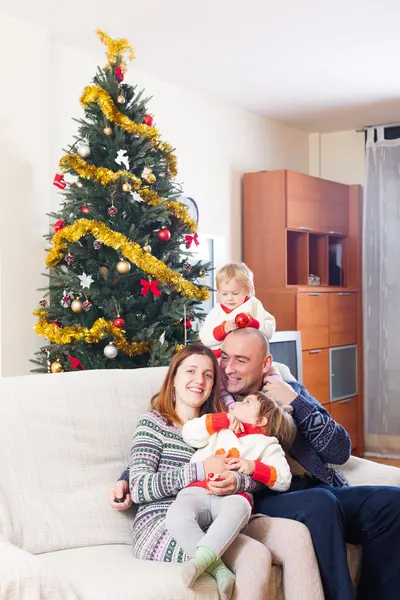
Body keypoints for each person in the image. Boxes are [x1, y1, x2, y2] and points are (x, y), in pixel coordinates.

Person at [111, 327, 400, 600]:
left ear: (265, 364)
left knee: (391, 503)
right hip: (261, 495)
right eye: (224, 357)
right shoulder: (217, 400)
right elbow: (180, 439)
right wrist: (127, 477)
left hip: (312, 485)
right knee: (320, 504)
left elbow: (340, 451)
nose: (227, 368)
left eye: (240, 360)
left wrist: (296, 401)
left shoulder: (287, 388)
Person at [110, 341, 325, 600]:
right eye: (190, 371)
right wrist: (201, 470)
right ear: (174, 378)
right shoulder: (154, 423)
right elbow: (140, 486)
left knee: (297, 537)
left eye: (208, 374)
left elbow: (256, 471)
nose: (199, 380)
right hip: (165, 523)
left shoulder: (225, 423)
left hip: (222, 514)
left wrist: (237, 480)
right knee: (254, 556)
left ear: (213, 385)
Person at [165, 391, 296, 593]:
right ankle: (217, 569)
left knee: (240, 508)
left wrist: (253, 467)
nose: (238, 402)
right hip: (196, 490)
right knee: (175, 516)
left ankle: (202, 561)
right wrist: (220, 420)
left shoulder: (268, 445)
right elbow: (189, 433)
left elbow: (283, 479)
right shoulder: (220, 428)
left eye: (247, 402)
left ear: (260, 420)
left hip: (234, 497)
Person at [199, 261, 281, 410]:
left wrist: (253, 323)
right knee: (221, 380)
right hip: (219, 355)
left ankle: (277, 399)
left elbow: (269, 329)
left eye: (235, 293)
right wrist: (222, 329)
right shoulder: (216, 312)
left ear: (247, 290)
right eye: (224, 294)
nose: (229, 298)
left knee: (273, 369)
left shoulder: (254, 305)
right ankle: (231, 406)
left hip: (253, 354)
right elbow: (205, 337)